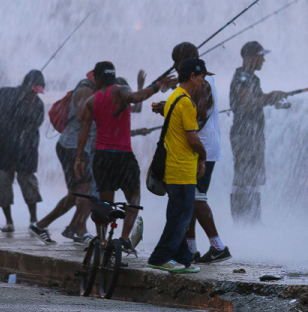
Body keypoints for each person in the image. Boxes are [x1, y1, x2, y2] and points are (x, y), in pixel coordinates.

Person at [154, 42, 231, 263]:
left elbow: (198, 114)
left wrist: (170, 110)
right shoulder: (198, 82)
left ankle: (218, 246)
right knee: (189, 199)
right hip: (196, 145)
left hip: (202, 146)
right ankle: (191, 250)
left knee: (196, 198)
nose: (176, 67)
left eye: (177, 62)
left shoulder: (203, 83)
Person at [74, 61, 161, 252]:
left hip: (102, 157)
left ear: (97, 78)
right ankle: (123, 239)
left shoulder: (91, 101)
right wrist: (157, 86)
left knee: (105, 203)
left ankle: (103, 241)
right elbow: (136, 98)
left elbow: (83, 131)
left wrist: (78, 159)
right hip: (123, 156)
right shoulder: (121, 91)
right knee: (134, 198)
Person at [147, 56, 208, 273]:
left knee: (179, 215)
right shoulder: (186, 102)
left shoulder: (174, 97)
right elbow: (192, 138)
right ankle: (159, 257)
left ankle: (183, 259)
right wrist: (204, 155)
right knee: (180, 217)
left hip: (175, 167)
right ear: (192, 76)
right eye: (201, 77)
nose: (203, 82)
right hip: (181, 170)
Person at [0, 70, 47, 239]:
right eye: (32, 92)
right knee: (3, 185)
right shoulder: (3, 94)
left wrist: (26, 108)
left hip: (25, 150)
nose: (34, 96)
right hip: (2, 149)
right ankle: (9, 222)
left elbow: (33, 125)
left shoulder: (37, 106)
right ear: (25, 86)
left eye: (37, 93)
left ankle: (33, 220)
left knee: (29, 184)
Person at [32, 73, 97, 243]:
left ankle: (41, 225)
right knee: (85, 190)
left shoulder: (94, 91)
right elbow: (84, 121)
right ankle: (80, 231)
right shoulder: (85, 90)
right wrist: (79, 157)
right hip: (73, 147)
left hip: (76, 147)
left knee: (76, 194)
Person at [228, 41, 289, 223]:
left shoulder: (251, 78)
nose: (263, 60)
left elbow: (255, 100)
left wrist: (272, 100)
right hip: (244, 135)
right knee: (244, 179)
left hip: (252, 135)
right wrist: (270, 96)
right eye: (260, 56)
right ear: (249, 58)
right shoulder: (242, 77)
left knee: (253, 178)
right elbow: (247, 103)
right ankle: (242, 220)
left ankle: (252, 220)